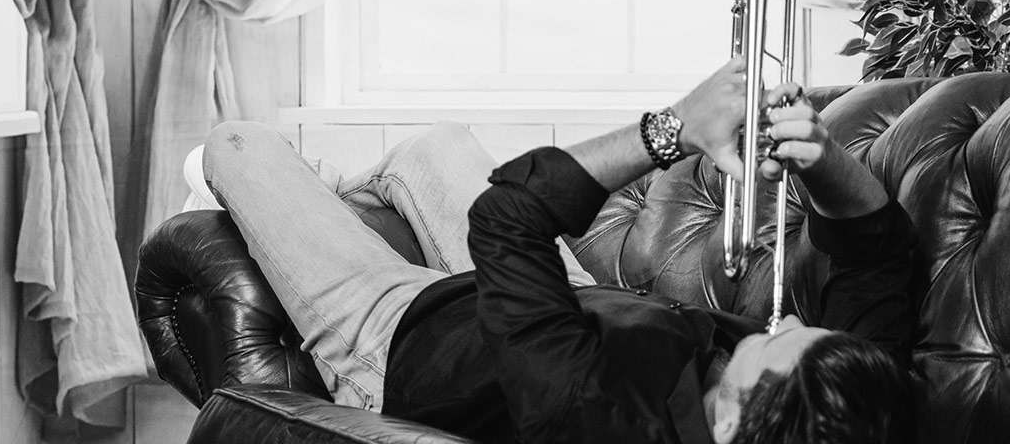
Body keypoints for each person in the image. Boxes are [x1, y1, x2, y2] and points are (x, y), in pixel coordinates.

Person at [200, 56, 915, 444]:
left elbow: (507, 215)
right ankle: (330, 203)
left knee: (237, 144)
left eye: (778, 344)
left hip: (402, 339)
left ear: (729, 423)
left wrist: (673, 128)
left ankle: (312, 202)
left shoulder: (597, 421)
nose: (786, 322)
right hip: (555, 302)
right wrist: (818, 153)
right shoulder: (843, 410)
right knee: (436, 144)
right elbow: (877, 254)